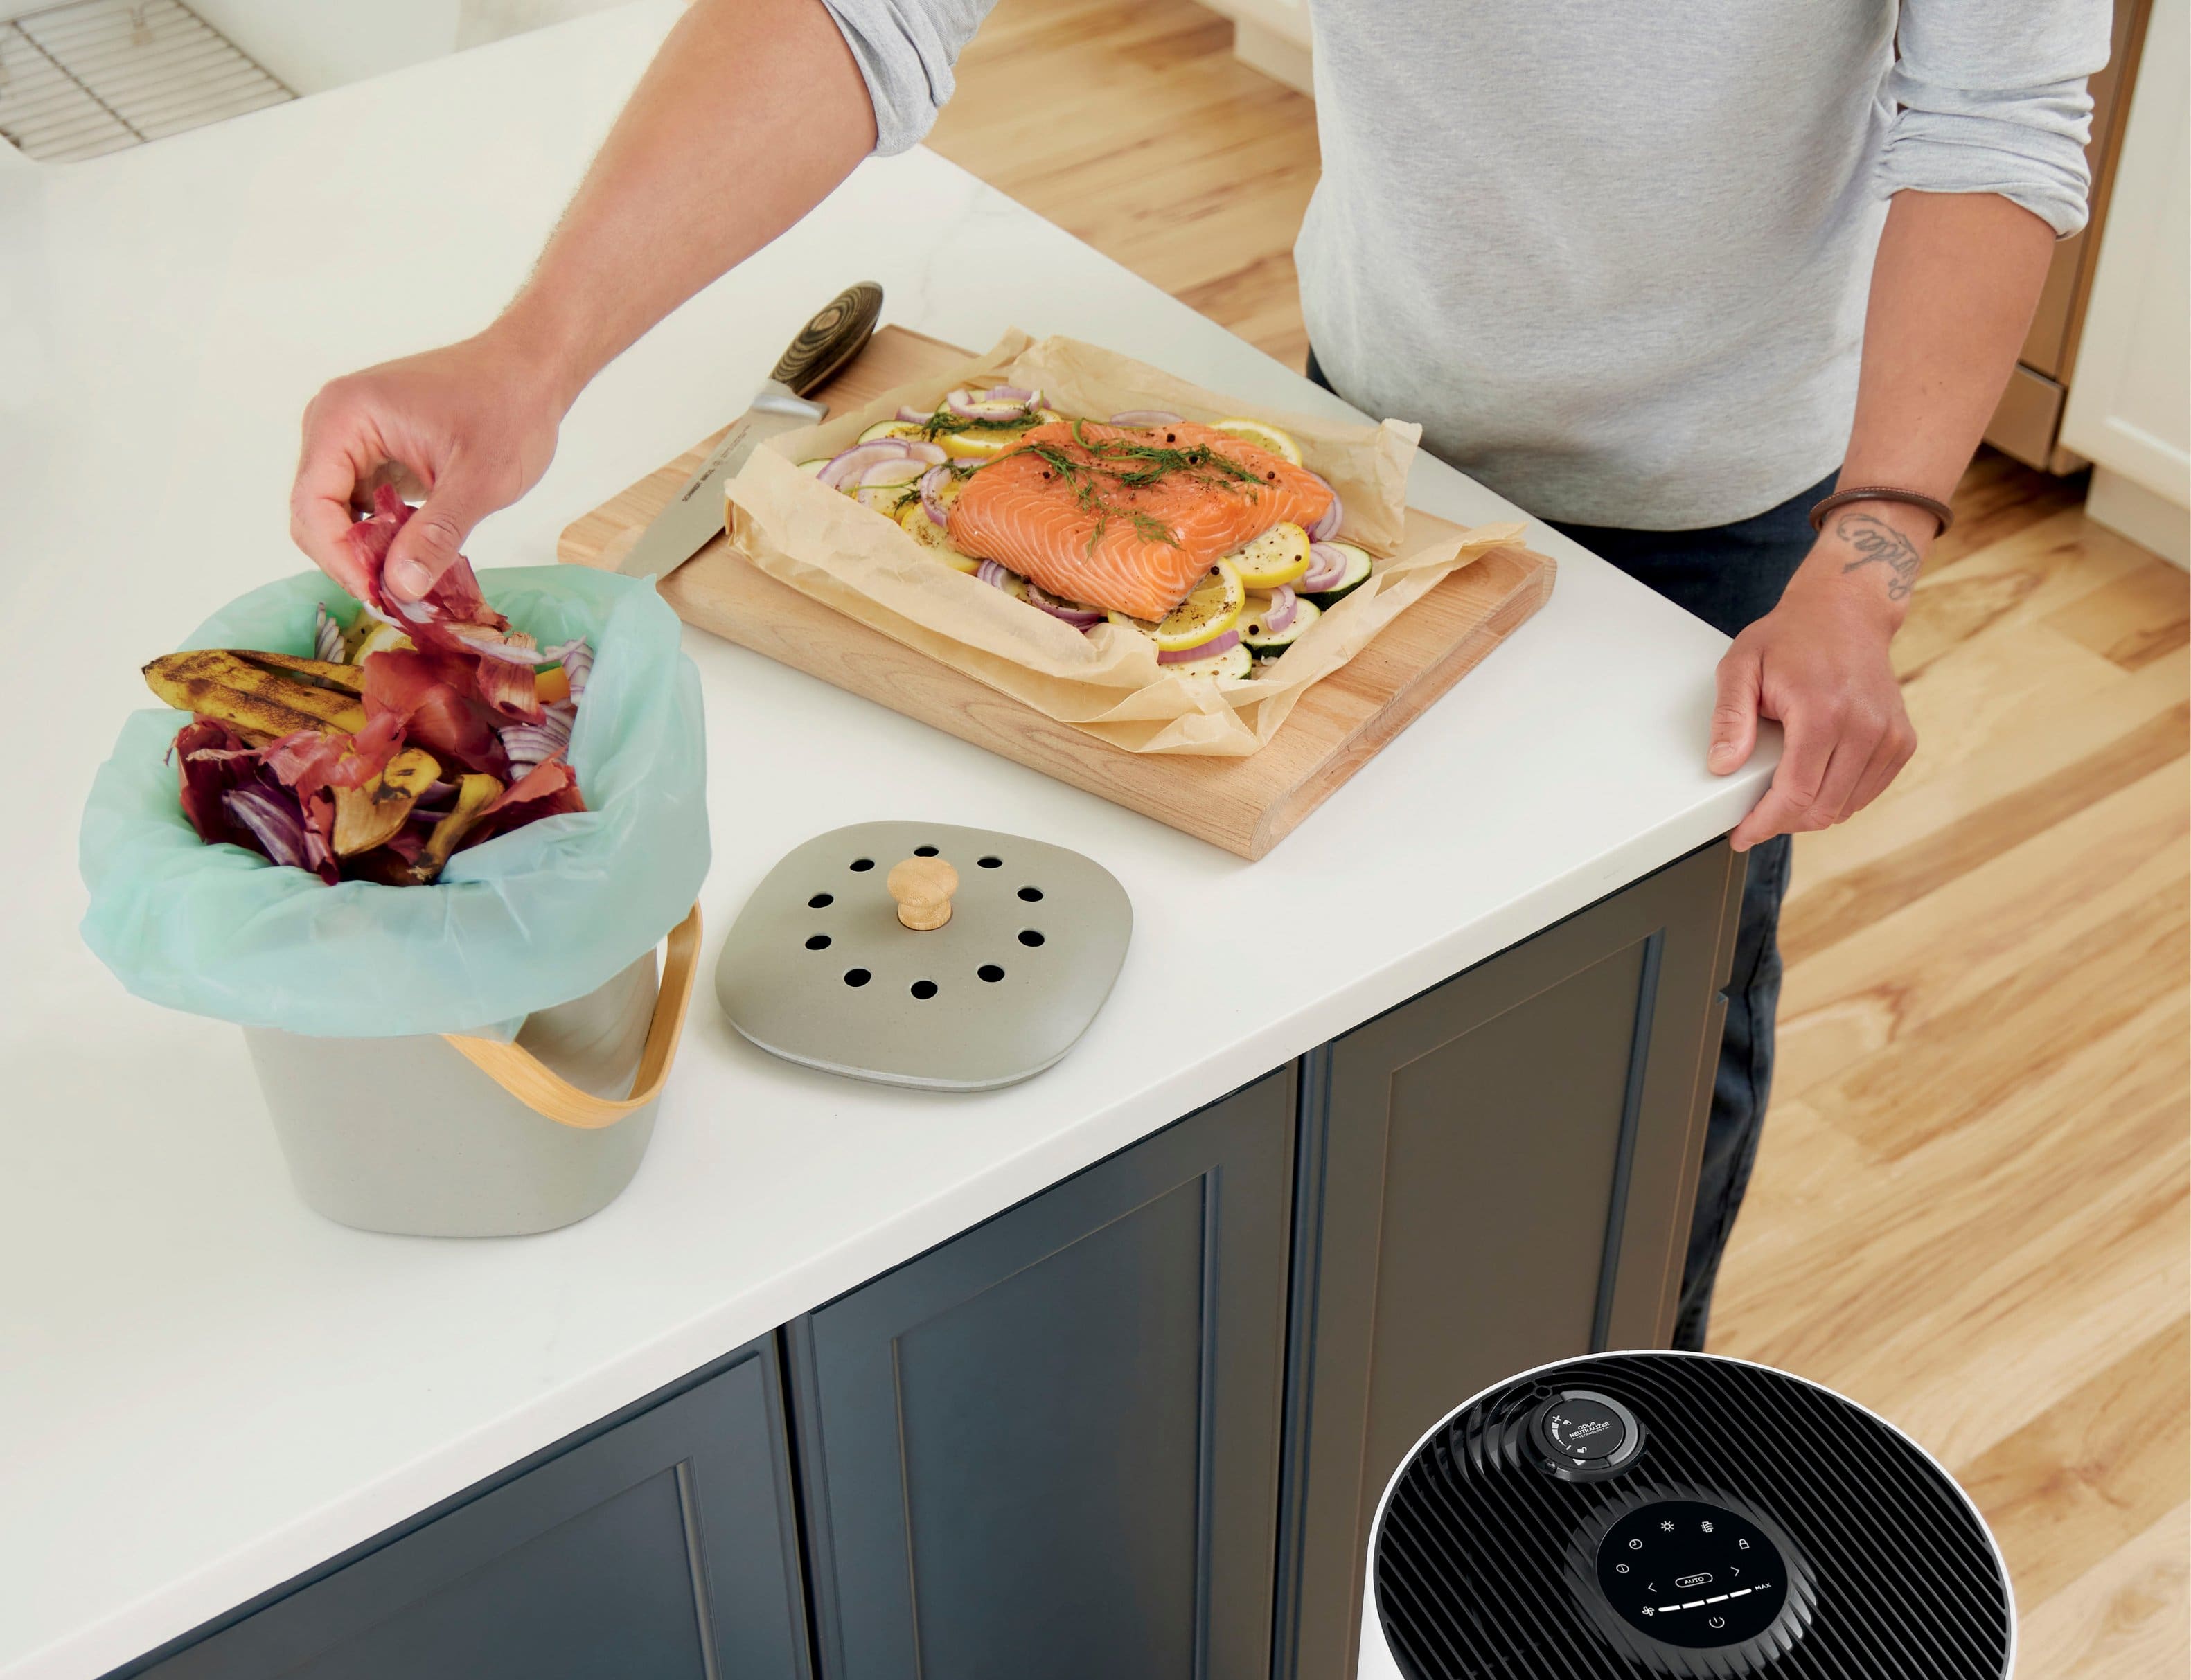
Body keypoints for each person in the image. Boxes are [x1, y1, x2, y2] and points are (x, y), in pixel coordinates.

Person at [290, 0, 2109, 1346]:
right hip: (1374, 401)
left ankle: (1620, 1405)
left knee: (1654, 1027)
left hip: (1727, 497)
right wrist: (527, 360)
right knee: (1360, 972)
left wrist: (1867, 550)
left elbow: (1995, 123)